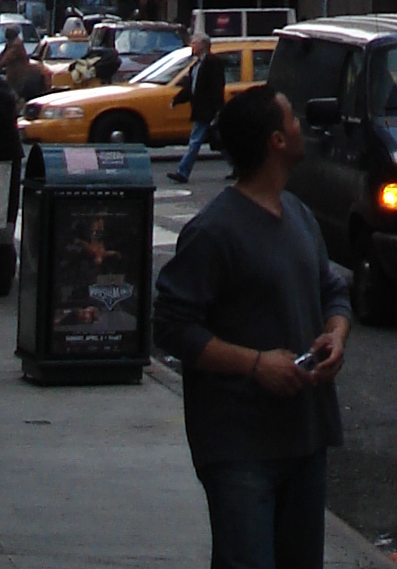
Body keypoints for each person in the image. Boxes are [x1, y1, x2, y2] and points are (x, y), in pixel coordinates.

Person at [153, 83, 352, 569]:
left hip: (305, 436)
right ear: (275, 142)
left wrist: (335, 336)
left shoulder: (299, 215)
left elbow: (333, 289)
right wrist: (257, 365)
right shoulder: (214, 230)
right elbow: (172, 326)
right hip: (240, 447)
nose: (301, 125)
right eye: (292, 120)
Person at [175, 33, 227, 187]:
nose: (192, 45)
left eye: (194, 42)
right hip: (201, 110)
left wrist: (217, 110)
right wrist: (177, 100)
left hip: (208, 110)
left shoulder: (213, 62)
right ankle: (239, 168)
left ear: (203, 45)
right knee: (222, 142)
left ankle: (182, 172)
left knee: (195, 141)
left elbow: (217, 87)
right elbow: (191, 88)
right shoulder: (196, 65)